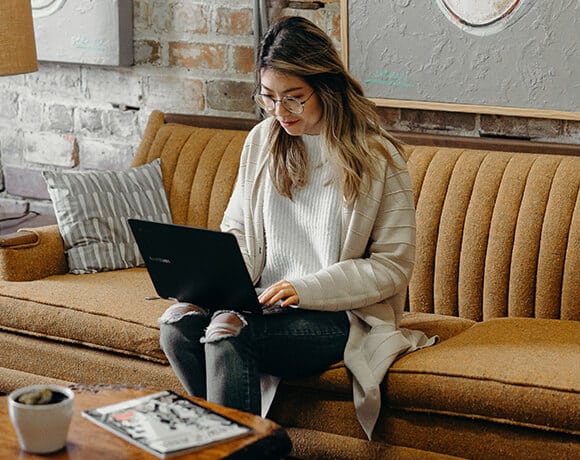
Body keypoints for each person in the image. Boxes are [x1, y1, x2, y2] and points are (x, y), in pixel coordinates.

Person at [158, 16, 436, 439]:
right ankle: (238, 444)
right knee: (177, 325)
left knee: (228, 334)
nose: (279, 112)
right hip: (261, 303)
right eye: (269, 98)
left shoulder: (377, 156)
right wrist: (215, 282)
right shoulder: (262, 140)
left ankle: (240, 447)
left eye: (294, 98)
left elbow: (392, 266)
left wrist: (307, 289)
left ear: (326, 88)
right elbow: (238, 231)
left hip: (339, 314)